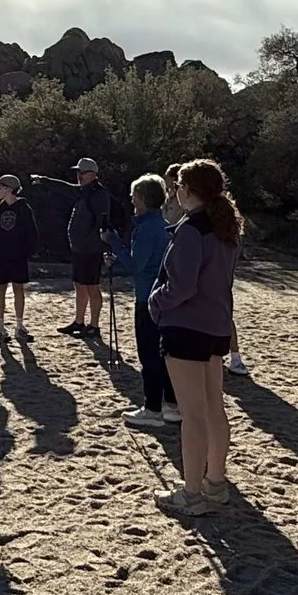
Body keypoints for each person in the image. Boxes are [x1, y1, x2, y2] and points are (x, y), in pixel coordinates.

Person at [147, 158, 241, 517]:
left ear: (188, 190)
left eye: (179, 188)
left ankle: (191, 491)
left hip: (187, 327)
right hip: (216, 325)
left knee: (193, 414)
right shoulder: (225, 229)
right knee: (213, 407)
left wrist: (156, 303)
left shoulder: (191, 230)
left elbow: (181, 286)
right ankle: (215, 481)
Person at [116, 173, 175, 427]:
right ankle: (171, 404)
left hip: (146, 296)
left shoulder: (145, 228)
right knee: (162, 353)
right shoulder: (163, 224)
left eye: (133, 196)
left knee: (148, 353)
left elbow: (135, 265)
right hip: (162, 296)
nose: (131, 200)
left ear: (141, 198)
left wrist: (114, 245)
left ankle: (152, 408)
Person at [63, 156, 129, 338]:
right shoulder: (83, 192)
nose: (79, 176)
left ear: (93, 174)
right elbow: (66, 189)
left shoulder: (99, 195)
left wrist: (103, 245)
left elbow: (102, 222)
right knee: (79, 284)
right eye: (78, 172)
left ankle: (94, 326)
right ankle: (79, 321)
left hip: (91, 249)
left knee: (92, 286)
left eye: (82, 172)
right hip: (79, 248)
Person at [0, 173, 38, 338]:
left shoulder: (24, 209)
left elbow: (32, 233)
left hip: (18, 257)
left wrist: (27, 252)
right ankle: (0, 327)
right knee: (0, 289)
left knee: (18, 289)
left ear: (8, 189)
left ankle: (19, 325)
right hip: (0, 257)